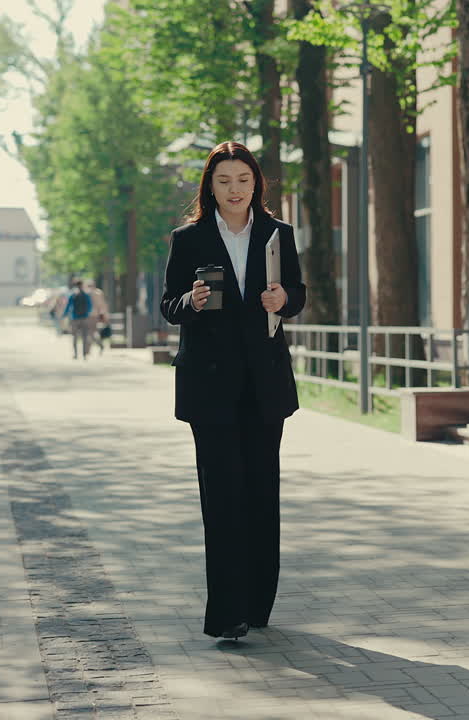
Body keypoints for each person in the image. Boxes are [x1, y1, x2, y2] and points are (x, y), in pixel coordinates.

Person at [160, 141, 305, 641]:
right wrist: (191, 301)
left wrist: (284, 298)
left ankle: (258, 604)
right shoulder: (189, 238)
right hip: (210, 386)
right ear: (210, 186)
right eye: (224, 181)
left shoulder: (278, 234)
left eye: (243, 180)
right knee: (221, 497)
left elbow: (299, 295)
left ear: (256, 183)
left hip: (265, 384)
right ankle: (227, 614)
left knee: (262, 494)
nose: (235, 190)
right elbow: (168, 305)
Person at [63, 278, 97, 360]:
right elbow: (90, 306)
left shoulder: (73, 295)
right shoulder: (85, 295)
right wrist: (87, 314)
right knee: (85, 337)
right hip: (84, 318)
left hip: (74, 318)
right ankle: (84, 354)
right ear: (82, 285)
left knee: (74, 337)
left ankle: (75, 354)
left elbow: (68, 306)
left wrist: (65, 315)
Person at [86, 281, 111, 354]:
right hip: (95, 315)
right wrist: (105, 315)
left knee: (90, 333)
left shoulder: (88, 293)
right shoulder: (98, 292)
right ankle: (92, 348)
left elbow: (102, 305)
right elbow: (103, 305)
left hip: (89, 316)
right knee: (91, 333)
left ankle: (89, 349)